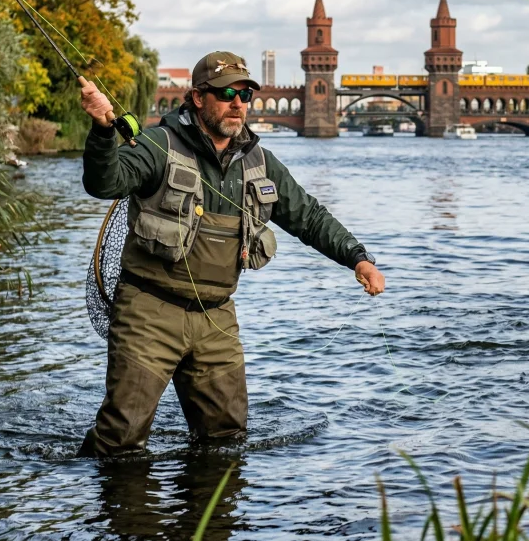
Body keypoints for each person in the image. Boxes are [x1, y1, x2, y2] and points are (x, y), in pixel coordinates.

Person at [77, 51, 385, 457]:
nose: (238, 103)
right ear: (198, 98)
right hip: (149, 311)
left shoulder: (260, 161)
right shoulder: (157, 144)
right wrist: (102, 131)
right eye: (226, 93)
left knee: (226, 442)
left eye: (246, 95)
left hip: (216, 318)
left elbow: (309, 216)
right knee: (120, 441)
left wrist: (357, 258)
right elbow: (105, 182)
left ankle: (210, 520)